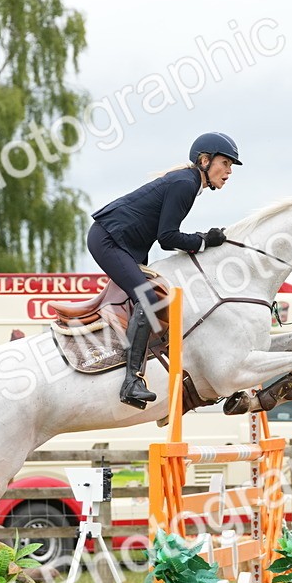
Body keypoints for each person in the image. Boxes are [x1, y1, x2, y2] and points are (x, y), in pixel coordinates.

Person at [88, 132, 240, 408]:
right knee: (148, 298)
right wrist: (205, 240)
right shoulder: (185, 184)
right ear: (204, 160)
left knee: (160, 299)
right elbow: (168, 238)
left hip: (123, 244)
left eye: (231, 166)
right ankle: (131, 381)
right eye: (226, 163)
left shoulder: (189, 182)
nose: (229, 171)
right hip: (109, 240)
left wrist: (203, 241)